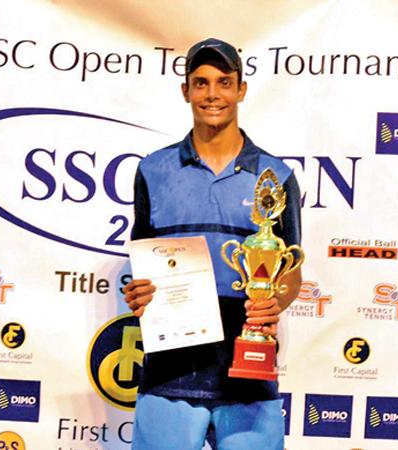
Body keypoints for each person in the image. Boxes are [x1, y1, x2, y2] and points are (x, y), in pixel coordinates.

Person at [121, 37, 302, 450]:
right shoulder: (153, 170)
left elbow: (289, 273)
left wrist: (274, 301)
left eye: (224, 82)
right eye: (200, 83)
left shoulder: (275, 177)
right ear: (185, 91)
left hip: (248, 373)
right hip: (168, 371)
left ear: (241, 90)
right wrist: (139, 291)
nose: (212, 94)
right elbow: (144, 257)